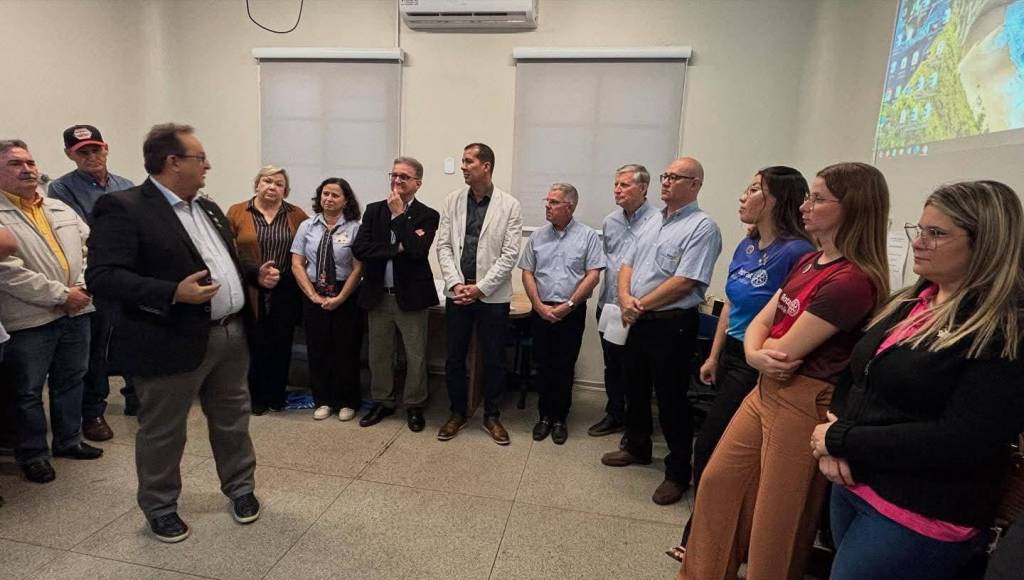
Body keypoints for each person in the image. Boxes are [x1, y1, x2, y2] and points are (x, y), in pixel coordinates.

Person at [679, 162, 890, 580]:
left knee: (777, 518)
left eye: (818, 199)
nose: (806, 206)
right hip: (765, 387)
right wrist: (754, 353)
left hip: (803, 397)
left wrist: (757, 351)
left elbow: (785, 350)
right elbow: (763, 319)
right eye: (809, 197)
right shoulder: (810, 261)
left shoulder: (852, 280)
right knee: (719, 482)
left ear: (852, 208)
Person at [811, 180, 1024, 580]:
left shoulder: (1004, 329)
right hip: (856, 483)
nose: (918, 242)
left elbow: (962, 438)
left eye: (936, 233)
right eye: (919, 229)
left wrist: (842, 440)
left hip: (918, 512)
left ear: (985, 244)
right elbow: (858, 375)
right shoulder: (912, 300)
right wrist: (834, 438)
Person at [87, 123, 266, 543]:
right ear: (173, 162)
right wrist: (172, 293)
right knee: (164, 430)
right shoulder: (124, 207)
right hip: (168, 336)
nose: (208, 165)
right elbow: (103, 276)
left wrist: (256, 274)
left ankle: (241, 488)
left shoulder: (208, 208)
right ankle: (161, 507)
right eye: (200, 158)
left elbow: (223, 261)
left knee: (233, 421)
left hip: (230, 335)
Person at [667, 166, 814, 560]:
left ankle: (702, 538)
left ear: (776, 200)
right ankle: (706, 536)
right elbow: (731, 304)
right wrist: (714, 355)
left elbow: (792, 317)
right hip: (732, 352)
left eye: (753, 190)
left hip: (760, 361)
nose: (742, 197)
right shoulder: (747, 245)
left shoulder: (796, 253)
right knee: (718, 450)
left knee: (713, 447)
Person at [600, 157, 722, 506]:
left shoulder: (703, 227)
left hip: (672, 324)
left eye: (675, 177)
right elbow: (626, 264)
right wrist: (626, 299)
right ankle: (637, 446)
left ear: (695, 184)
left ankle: (678, 471)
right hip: (637, 319)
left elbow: (686, 281)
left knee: (671, 399)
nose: (666, 182)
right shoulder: (653, 220)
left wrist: (638, 305)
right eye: (665, 176)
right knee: (634, 387)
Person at [0, 139, 101, 485]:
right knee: (27, 391)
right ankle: (33, 455)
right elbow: (6, 271)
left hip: (77, 310)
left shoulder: (58, 207)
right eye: (15, 164)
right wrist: (60, 294)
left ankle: (69, 440)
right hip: (29, 318)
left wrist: (83, 287)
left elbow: (91, 247)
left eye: (30, 162)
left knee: (72, 378)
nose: (27, 169)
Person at [49, 124, 138, 439]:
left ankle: (135, 397)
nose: (91, 156)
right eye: (82, 152)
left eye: (95, 149)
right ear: (70, 155)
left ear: (106, 148)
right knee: (96, 347)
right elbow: (81, 233)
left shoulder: (126, 185)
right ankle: (93, 412)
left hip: (130, 274)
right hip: (97, 276)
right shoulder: (61, 189)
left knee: (134, 337)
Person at [435, 143, 522, 445]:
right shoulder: (452, 201)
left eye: (468, 161)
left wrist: (480, 288)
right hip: (458, 292)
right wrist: (456, 283)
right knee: (454, 357)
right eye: (462, 161)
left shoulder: (509, 205)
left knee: (495, 357)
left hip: (492, 296)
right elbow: (444, 246)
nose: (463, 166)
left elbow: (510, 255)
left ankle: (492, 415)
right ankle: (457, 412)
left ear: (486, 166)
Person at [353, 157, 439, 432]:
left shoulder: (428, 215)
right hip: (378, 295)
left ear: (418, 183)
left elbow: (417, 250)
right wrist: (395, 249)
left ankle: (414, 403)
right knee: (379, 354)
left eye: (404, 176)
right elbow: (360, 249)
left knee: (415, 355)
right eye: (394, 175)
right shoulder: (374, 210)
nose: (397, 180)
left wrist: (400, 216)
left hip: (412, 297)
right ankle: (383, 401)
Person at [520, 183, 605, 444]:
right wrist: (538, 305)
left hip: (571, 311)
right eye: (547, 201)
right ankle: (544, 417)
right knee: (542, 365)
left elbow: (593, 275)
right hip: (541, 309)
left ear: (570, 206)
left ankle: (559, 418)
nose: (548, 206)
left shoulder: (588, 236)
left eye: (554, 202)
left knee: (565, 366)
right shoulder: (538, 236)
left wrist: (568, 305)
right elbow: (527, 272)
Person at [226, 166, 308, 415]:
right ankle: (256, 396)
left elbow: (308, 247)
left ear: (286, 190)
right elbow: (227, 249)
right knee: (254, 341)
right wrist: (255, 273)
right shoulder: (237, 211)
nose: (272, 187)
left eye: (279, 184)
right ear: (257, 184)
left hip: (285, 287)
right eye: (267, 181)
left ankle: (276, 395)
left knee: (282, 342)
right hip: (251, 286)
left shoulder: (296, 214)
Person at [588, 164, 657, 439]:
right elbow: (610, 261)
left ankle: (636, 426)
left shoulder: (658, 222)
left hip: (638, 308)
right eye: (616, 184)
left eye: (625, 185)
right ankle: (615, 414)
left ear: (643, 188)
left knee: (637, 370)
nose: (617, 190)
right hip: (609, 305)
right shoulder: (611, 221)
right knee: (613, 365)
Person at [290, 178, 363, 422]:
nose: (328, 199)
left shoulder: (355, 228)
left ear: (346, 200)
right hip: (313, 291)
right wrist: (312, 295)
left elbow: (358, 268)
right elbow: (297, 263)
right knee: (318, 348)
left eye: (335, 195)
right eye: (325, 194)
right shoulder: (307, 226)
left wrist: (341, 298)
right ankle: (323, 400)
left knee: (346, 348)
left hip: (346, 293)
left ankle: (347, 401)